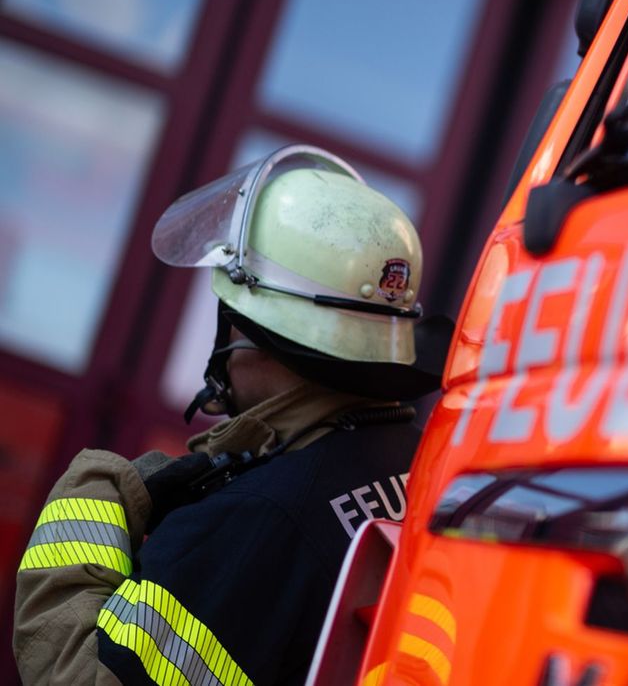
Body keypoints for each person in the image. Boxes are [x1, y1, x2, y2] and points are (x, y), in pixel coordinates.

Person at [12, 146, 453, 685]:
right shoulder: (419, 454)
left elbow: (79, 676)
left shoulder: (253, 520)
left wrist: (97, 489)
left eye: (231, 319)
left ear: (260, 337)